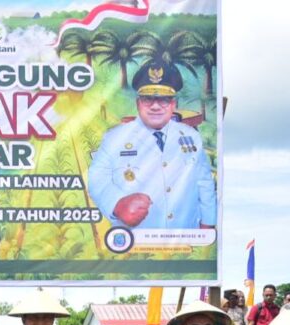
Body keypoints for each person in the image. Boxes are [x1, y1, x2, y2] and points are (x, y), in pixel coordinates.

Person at [88, 60, 216, 230]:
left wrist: (208, 223)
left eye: (163, 99)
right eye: (148, 99)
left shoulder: (191, 136)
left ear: (173, 104)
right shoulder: (114, 138)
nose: (155, 106)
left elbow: (204, 182)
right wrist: (116, 204)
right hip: (137, 242)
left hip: (185, 238)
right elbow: (97, 178)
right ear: (138, 103)